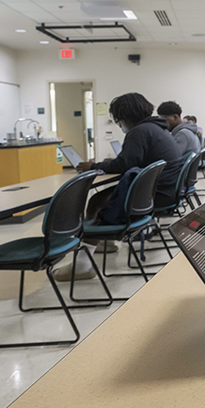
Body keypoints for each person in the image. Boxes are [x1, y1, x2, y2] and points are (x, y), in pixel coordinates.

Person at [56, 93, 182, 281]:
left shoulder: (139, 131)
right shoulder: (157, 129)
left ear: (124, 116)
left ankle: (82, 265)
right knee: (99, 198)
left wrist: (95, 166)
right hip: (167, 191)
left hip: (155, 195)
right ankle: (103, 244)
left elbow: (124, 165)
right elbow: (130, 161)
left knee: (98, 202)